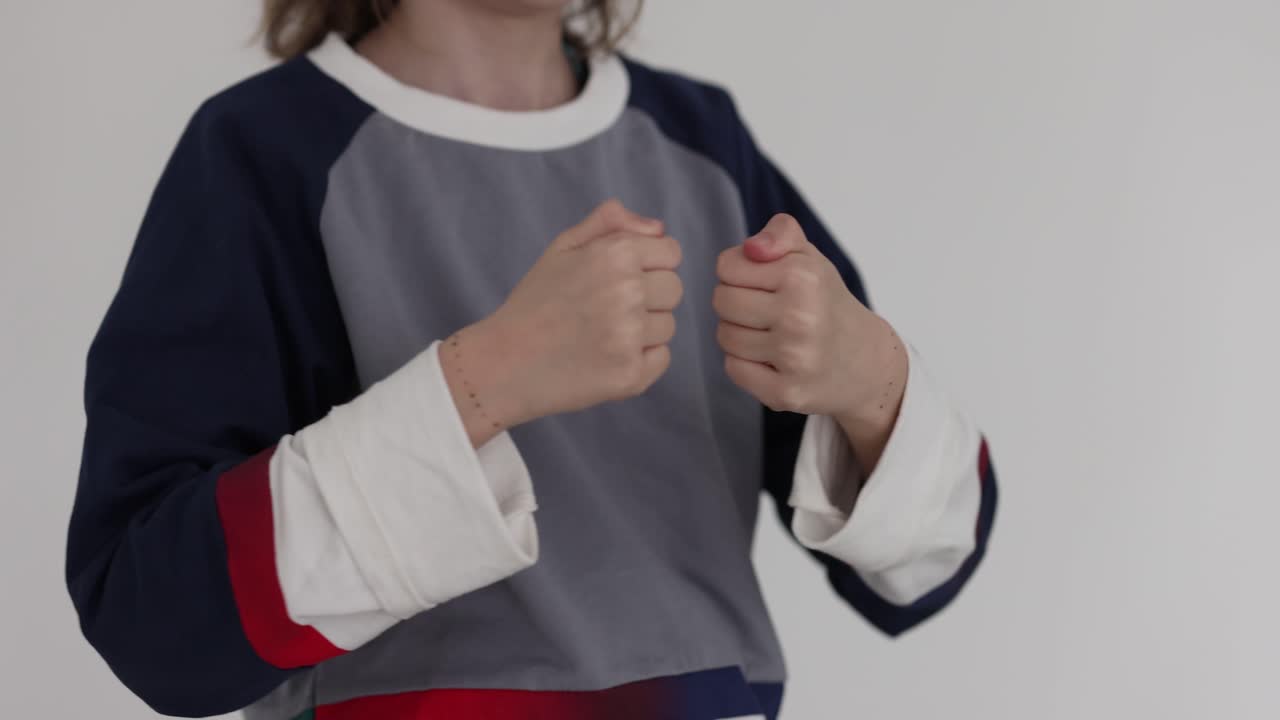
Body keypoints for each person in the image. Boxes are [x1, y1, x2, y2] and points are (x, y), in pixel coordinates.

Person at [66, 1, 998, 718]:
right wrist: (484, 381)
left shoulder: (703, 143)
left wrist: (872, 383)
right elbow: (153, 620)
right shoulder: (264, 153)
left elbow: (923, 565)